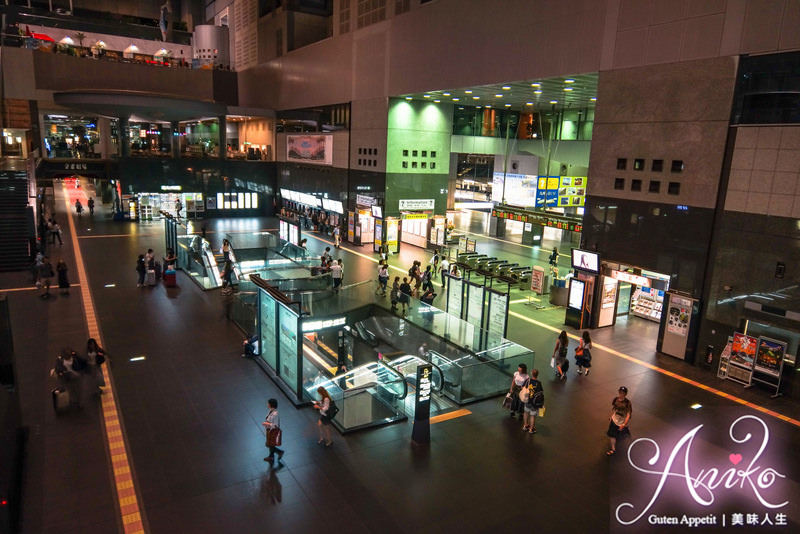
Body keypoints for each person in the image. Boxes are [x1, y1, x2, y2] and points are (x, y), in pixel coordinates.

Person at [607, 386, 632, 455]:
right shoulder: (615, 400)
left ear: (625, 394)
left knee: (620, 436)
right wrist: (612, 417)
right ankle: (613, 449)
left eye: (623, 393)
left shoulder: (627, 403)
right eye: (620, 392)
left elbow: (628, 415)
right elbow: (615, 410)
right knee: (612, 436)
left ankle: (625, 429)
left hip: (621, 423)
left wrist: (624, 424)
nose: (621, 394)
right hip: (614, 421)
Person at [522, 369, 544, 433]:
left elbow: (523, 387)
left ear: (531, 374)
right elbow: (540, 393)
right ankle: (531, 429)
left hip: (527, 400)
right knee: (532, 416)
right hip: (534, 403)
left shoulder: (528, 380)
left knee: (526, 412)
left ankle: (525, 425)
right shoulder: (538, 383)